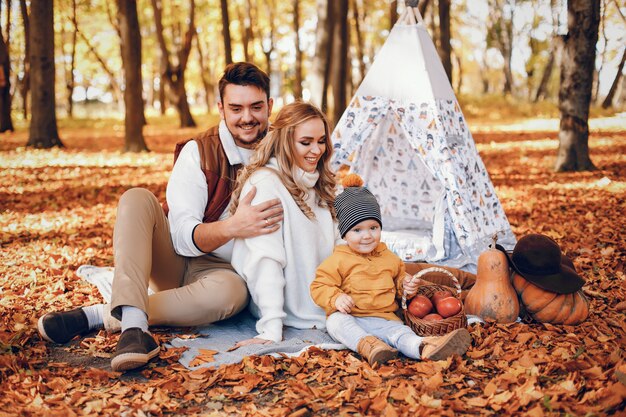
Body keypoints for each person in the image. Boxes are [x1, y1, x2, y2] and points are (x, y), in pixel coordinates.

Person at [37, 62, 284, 372]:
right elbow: (181, 236)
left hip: (228, 273)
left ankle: (100, 316)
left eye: (256, 107)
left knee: (233, 295)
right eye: (236, 108)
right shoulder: (199, 152)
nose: (247, 118)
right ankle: (135, 332)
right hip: (175, 259)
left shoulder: (284, 150)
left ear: (270, 106)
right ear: (220, 108)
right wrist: (234, 226)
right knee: (136, 198)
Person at [310, 174, 472, 365]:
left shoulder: (390, 258)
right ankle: (370, 346)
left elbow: (399, 282)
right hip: (353, 318)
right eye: (357, 230)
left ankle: (426, 347)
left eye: (373, 227)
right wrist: (336, 298)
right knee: (335, 323)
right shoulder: (338, 259)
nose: (367, 236)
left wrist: (407, 287)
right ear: (344, 234)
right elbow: (319, 285)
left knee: (402, 333)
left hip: (385, 319)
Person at [228, 101, 340, 347]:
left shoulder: (319, 184)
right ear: (285, 141)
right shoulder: (266, 184)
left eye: (321, 141)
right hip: (285, 308)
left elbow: (342, 246)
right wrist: (271, 328)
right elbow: (264, 260)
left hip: (330, 299)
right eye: (306, 142)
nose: (316, 150)